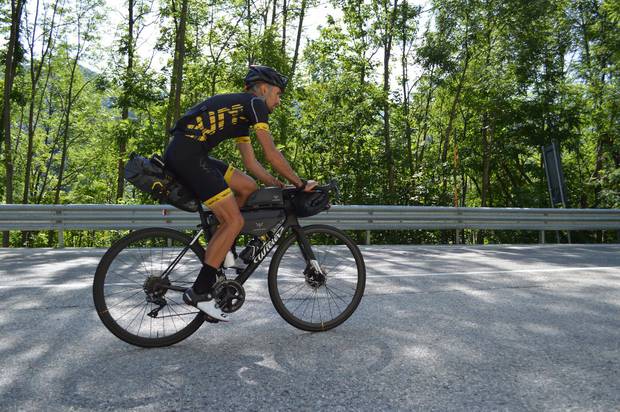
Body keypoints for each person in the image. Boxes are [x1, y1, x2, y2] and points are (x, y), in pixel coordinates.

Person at [164, 65, 316, 321]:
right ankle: (200, 291)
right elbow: (270, 153)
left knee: (247, 186)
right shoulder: (255, 104)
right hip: (188, 155)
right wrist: (299, 183)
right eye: (278, 94)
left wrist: (277, 183)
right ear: (264, 89)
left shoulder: (242, 112)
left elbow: (252, 164)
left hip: (190, 152)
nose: (278, 102)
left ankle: (226, 252)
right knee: (235, 220)